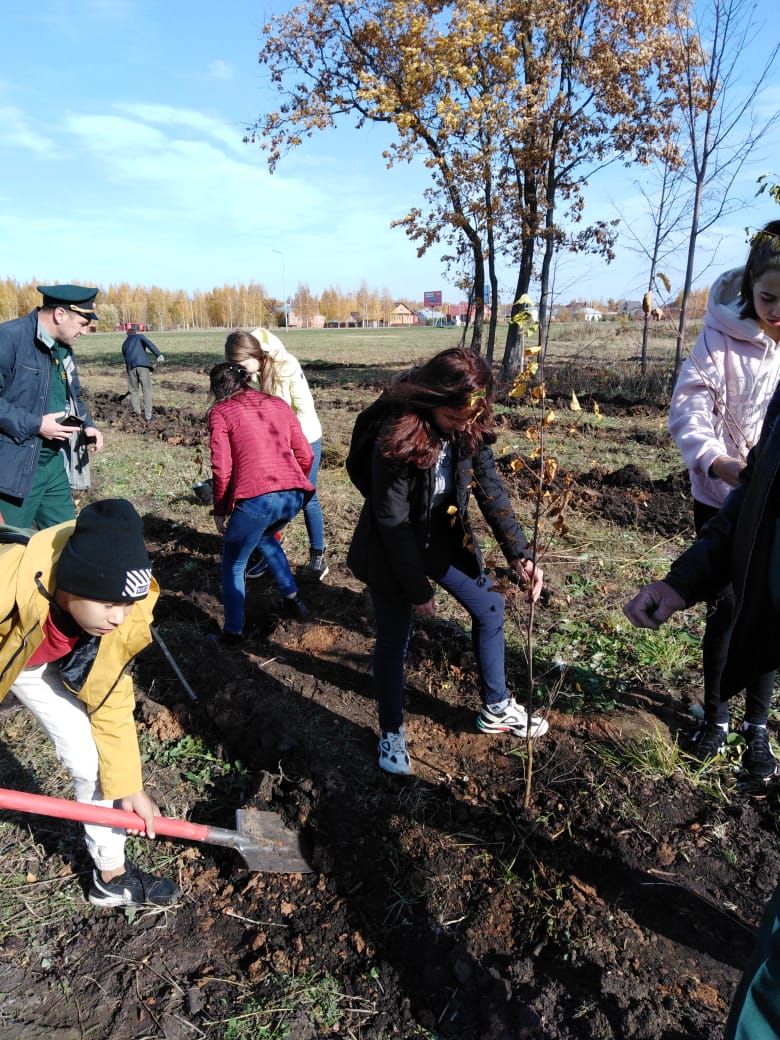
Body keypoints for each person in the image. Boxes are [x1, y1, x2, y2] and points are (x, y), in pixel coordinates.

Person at [346, 346, 547, 775]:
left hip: (441, 535)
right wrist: (418, 589)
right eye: (455, 419)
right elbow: (390, 518)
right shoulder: (396, 433)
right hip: (391, 545)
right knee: (394, 639)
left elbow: (488, 485)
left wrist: (520, 554)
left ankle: (496, 706)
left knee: (490, 605)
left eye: (470, 418)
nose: (464, 427)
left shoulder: (468, 423)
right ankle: (391, 731)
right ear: (433, 400)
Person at [0, 499, 180, 908]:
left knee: (94, 762)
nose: (118, 618)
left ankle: (111, 875)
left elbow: (111, 698)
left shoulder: (119, 619)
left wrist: (130, 783)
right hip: (10, 639)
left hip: (33, 664)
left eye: (126, 605)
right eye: (108, 604)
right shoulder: (6, 584)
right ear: (72, 584)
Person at [667, 220, 780, 778]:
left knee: (768, 610)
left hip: (774, 502)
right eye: (769, 298)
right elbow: (690, 407)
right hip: (722, 494)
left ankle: (758, 730)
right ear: (751, 287)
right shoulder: (719, 335)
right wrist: (719, 463)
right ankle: (716, 716)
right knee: (729, 606)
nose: (778, 312)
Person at [208, 362, 314, 643]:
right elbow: (305, 453)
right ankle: (294, 601)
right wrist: (291, 482)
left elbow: (222, 467)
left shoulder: (220, 412)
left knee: (233, 563)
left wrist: (220, 509)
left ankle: (232, 633)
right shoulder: (277, 403)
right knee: (266, 537)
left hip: (258, 498)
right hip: (294, 494)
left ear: (217, 388)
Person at [224, 328, 327, 581]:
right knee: (271, 495)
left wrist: (290, 442)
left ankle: (318, 555)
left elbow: (303, 409)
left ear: (255, 354)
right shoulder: (254, 371)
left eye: (241, 364)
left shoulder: (286, 366)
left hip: (304, 437)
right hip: (277, 441)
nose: (240, 371)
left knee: (306, 496)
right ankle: (269, 552)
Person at [0, 285, 104, 529]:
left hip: (52, 463)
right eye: (82, 323)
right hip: (14, 467)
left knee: (65, 538)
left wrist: (88, 425)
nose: (86, 331)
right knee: (11, 548)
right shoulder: (9, 339)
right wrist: (37, 424)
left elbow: (72, 395)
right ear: (60, 315)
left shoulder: (63, 349)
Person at [121, 328, 164, 421]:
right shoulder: (139, 337)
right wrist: (158, 354)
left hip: (131, 368)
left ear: (127, 335)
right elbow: (149, 344)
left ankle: (137, 413)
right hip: (143, 366)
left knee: (133, 391)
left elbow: (126, 359)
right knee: (146, 390)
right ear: (135, 333)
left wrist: (129, 372)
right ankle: (148, 416)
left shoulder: (124, 344)